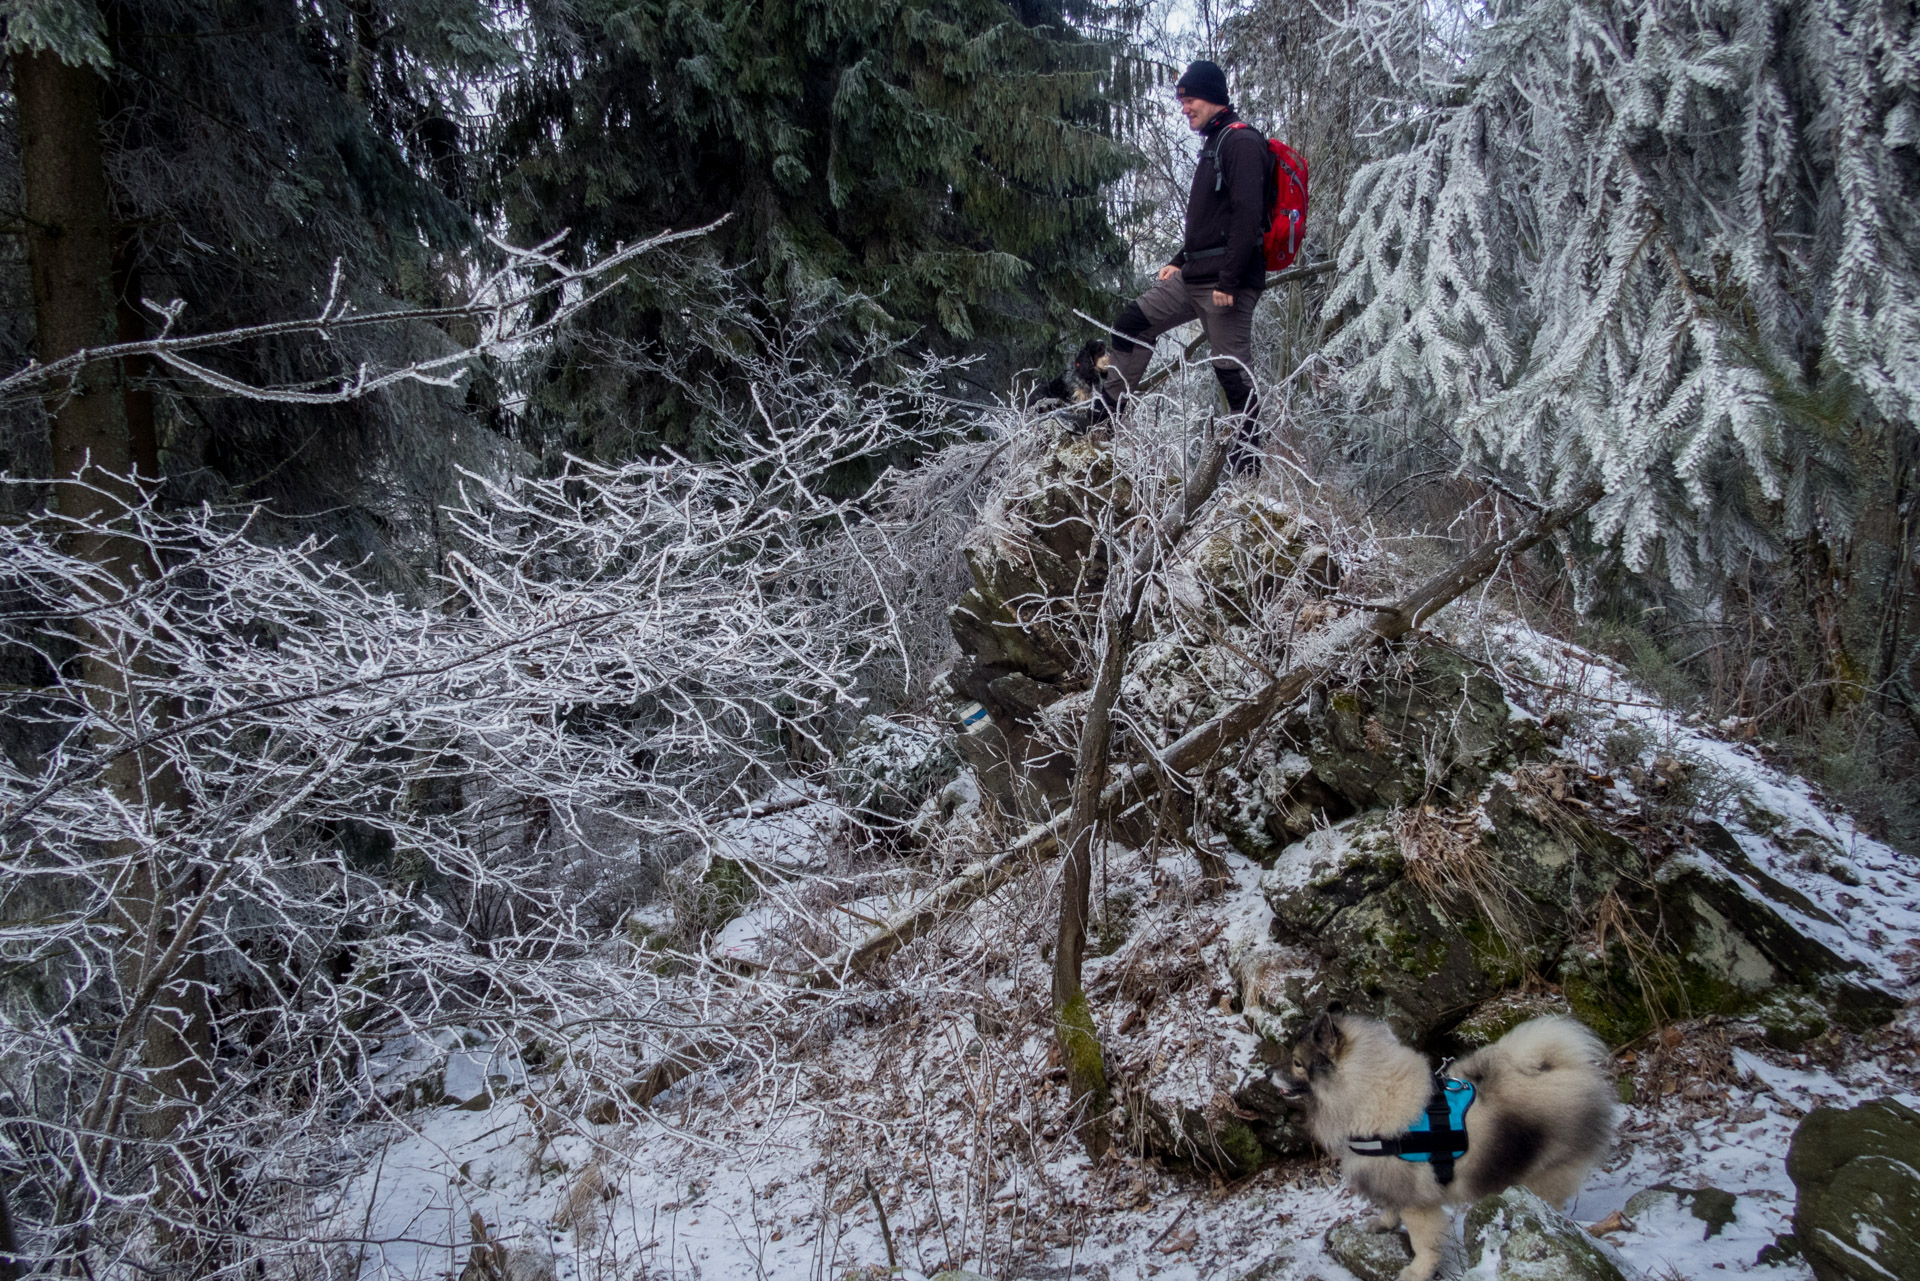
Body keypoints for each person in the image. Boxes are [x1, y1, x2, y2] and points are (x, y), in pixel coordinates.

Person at [1099, 59, 1271, 471]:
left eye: (1188, 99)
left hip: (1225, 285)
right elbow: (1210, 223)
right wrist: (1179, 261)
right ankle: (1103, 425)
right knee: (1132, 323)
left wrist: (1229, 280)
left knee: (1231, 373)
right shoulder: (1214, 143)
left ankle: (1248, 475)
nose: (1184, 108)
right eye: (1181, 100)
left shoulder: (1242, 143)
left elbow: (1248, 216)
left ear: (1211, 97)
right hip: (1194, 277)